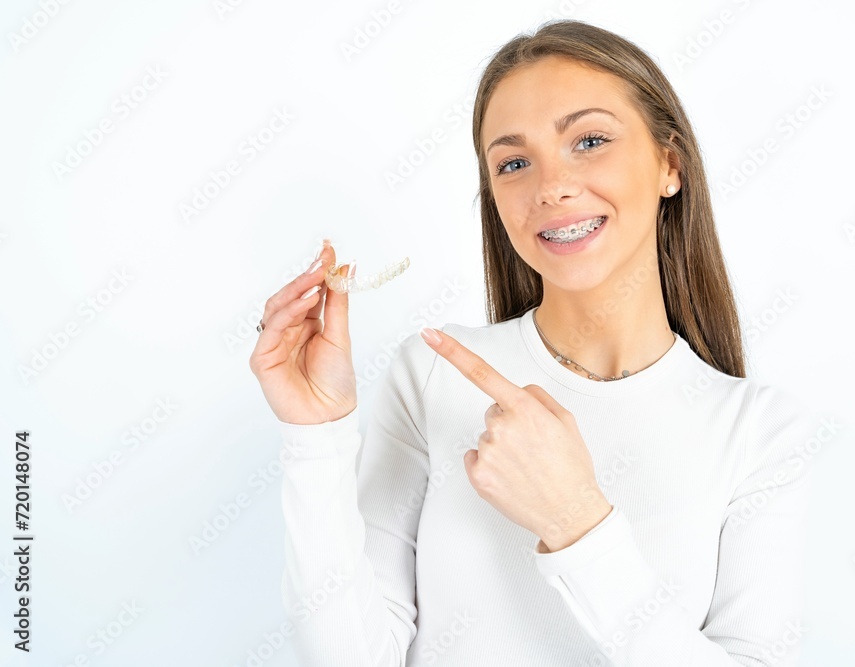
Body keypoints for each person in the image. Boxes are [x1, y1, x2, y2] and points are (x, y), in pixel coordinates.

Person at [250, 18, 815, 667]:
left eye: (589, 141)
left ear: (670, 164)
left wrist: (576, 521)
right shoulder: (432, 376)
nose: (550, 187)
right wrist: (315, 436)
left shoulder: (758, 430)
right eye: (514, 163)